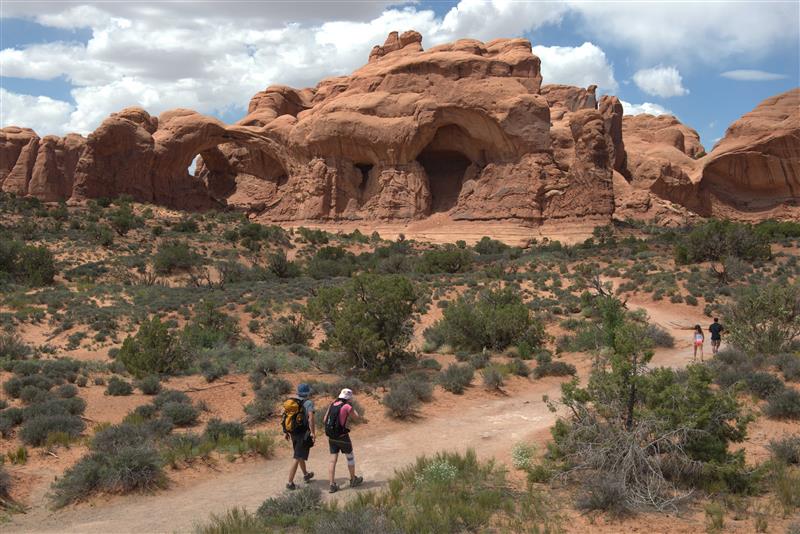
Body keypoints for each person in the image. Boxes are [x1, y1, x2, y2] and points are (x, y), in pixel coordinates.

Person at [323, 388, 363, 493]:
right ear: (349, 398)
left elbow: (324, 420)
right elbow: (357, 417)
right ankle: (353, 479)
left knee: (332, 460)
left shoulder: (332, 404)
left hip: (332, 437)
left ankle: (332, 484)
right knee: (350, 457)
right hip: (342, 437)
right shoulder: (347, 406)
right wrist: (351, 408)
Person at [282, 383, 315, 490]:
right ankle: (290, 482)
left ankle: (306, 474)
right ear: (307, 392)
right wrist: (313, 432)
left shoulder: (292, 402)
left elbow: (284, 416)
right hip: (302, 432)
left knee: (299, 453)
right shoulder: (308, 403)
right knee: (297, 457)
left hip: (293, 432)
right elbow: (311, 418)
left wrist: (285, 431)